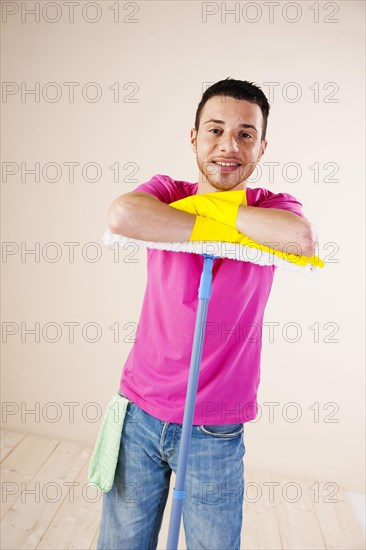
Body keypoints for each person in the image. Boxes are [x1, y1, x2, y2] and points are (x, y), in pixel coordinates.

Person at [96, 78, 317, 550]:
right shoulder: (166, 190)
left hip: (215, 427)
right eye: (215, 130)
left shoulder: (272, 206)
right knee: (120, 543)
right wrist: (217, 226)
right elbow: (123, 215)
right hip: (140, 411)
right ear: (194, 138)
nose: (228, 146)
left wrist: (214, 217)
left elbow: (298, 240)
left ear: (261, 147)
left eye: (244, 134)